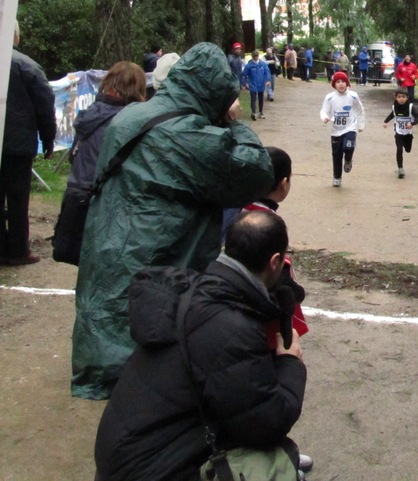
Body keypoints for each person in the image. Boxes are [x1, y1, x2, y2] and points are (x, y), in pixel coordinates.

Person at [72, 42, 273, 400]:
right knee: (152, 314)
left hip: (110, 241)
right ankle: (134, 381)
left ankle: (102, 371)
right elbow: (254, 172)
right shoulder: (186, 134)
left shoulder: (131, 115)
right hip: (156, 245)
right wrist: (234, 124)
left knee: (111, 304)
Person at [94, 210, 307, 481]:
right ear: (276, 261)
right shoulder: (233, 327)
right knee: (271, 461)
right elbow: (267, 423)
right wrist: (290, 363)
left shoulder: (194, 288)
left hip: (123, 454)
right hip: (152, 470)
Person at [54, 63, 147, 265]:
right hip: (105, 205)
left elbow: (74, 156)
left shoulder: (89, 113)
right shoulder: (127, 122)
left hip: (77, 197)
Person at [2, 23, 56, 265]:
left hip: (14, 141)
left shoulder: (24, 66)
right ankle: (18, 249)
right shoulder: (28, 66)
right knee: (17, 199)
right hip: (18, 145)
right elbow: (45, 105)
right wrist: (48, 139)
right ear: (15, 36)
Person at [321, 71, 366, 187]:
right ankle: (337, 177)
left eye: (343, 82)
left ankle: (348, 160)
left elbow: (360, 110)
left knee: (348, 146)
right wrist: (325, 117)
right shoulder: (330, 97)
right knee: (336, 155)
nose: (341, 84)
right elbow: (324, 110)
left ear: (347, 84)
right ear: (334, 84)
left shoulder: (353, 96)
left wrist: (360, 125)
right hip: (336, 131)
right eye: (338, 82)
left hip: (350, 127)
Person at [383, 88, 418, 178]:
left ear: (407, 98)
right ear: (396, 98)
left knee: (408, 150)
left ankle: (406, 145)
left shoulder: (411, 107)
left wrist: (412, 123)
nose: (401, 99)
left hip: (408, 133)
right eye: (399, 97)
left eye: (403, 97)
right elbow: (393, 114)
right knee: (399, 149)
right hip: (399, 132)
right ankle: (400, 169)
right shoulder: (394, 107)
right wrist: (385, 121)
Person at [243, 50, 271, 120]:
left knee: (261, 99)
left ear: (258, 56)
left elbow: (267, 72)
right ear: (252, 57)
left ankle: (260, 112)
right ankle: (253, 112)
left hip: (261, 84)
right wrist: (244, 84)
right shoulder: (249, 65)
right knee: (253, 99)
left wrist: (268, 80)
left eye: (256, 56)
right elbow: (244, 75)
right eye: (254, 56)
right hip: (252, 84)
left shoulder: (263, 64)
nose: (255, 57)